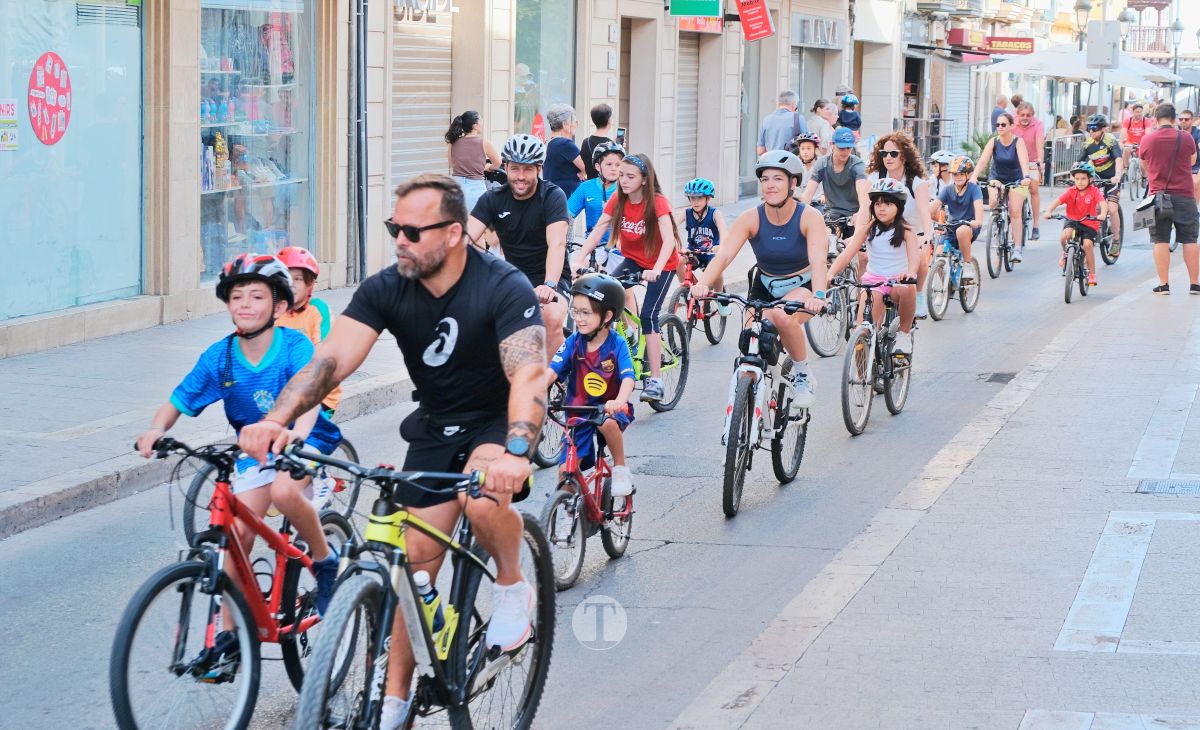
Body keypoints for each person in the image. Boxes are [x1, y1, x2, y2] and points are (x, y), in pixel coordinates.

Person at [240, 174, 546, 729]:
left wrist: (518, 449)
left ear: (454, 234)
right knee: (413, 566)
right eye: (393, 228)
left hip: (496, 422)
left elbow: (527, 374)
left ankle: (510, 585)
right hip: (434, 426)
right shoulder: (388, 287)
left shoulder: (503, 287)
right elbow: (330, 361)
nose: (399, 240)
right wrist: (276, 420)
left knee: (481, 502)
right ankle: (395, 701)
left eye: (411, 230)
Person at [135, 254, 343, 631]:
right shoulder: (221, 357)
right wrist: (156, 429)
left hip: (304, 439)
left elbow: (311, 394)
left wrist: (296, 433)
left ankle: (325, 559)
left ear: (279, 305)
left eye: (257, 296)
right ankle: (230, 638)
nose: (245, 304)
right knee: (235, 537)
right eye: (237, 296)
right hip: (256, 450)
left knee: (284, 492)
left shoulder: (293, 346)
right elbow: (178, 400)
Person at [691, 151, 829, 406]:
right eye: (765, 179)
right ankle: (746, 423)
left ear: (793, 183)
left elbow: (819, 260)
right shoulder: (751, 217)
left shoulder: (809, 217)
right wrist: (702, 284)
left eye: (778, 179)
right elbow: (724, 256)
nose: (770, 185)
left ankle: (803, 375)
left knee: (782, 317)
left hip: (803, 286)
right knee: (750, 348)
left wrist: (819, 295)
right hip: (764, 286)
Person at [573, 153, 681, 402]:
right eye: (621, 175)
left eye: (630, 176)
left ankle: (655, 380)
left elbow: (668, 242)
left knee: (648, 316)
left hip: (661, 264)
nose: (623, 180)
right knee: (603, 298)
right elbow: (599, 228)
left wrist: (657, 268)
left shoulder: (658, 202)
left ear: (644, 179)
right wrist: (580, 258)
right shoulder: (617, 200)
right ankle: (622, 345)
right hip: (632, 260)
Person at [468, 134, 571, 358]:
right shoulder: (493, 198)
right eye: (515, 169)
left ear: (539, 170)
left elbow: (557, 243)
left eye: (527, 169)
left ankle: (548, 384)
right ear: (505, 167)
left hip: (551, 279)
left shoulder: (552, 196)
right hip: (513, 278)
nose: (520, 176)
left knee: (551, 318)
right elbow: (465, 236)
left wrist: (549, 284)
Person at [546, 273, 636, 501]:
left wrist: (620, 401)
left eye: (586, 312)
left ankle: (620, 468)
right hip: (578, 413)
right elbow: (551, 371)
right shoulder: (572, 342)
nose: (578, 318)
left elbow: (628, 378)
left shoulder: (617, 344)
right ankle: (566, 515)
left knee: (607, 423)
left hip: (610, 410)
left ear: (607, 315)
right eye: (575, 312)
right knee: (566, 472)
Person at [827, 178, 921, 354]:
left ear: (899, 206)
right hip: (873, 283)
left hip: (897, 281)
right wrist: (830, 273)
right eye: (877, 204)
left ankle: (904, 334)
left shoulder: (907, 230)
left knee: (909, 288)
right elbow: (847, 254)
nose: (881, 208)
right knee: (862, 334)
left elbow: (914, 259)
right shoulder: (868, 228)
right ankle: (859, 378)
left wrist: (909, 273)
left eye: (887, 203)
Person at [866, 132, 934, 317]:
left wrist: (927, 234)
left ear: (904, 155)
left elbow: (923, 210)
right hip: (883, 230)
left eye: (893, 153)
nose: (888, 157)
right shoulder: (875, 177)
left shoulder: (916, 182)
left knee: (919, 257)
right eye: (884, 153)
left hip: (912, 233)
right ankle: (863, 297)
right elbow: (865, 208)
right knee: (862, 256)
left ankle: (917, 295)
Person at [1139, 103, 1200, 294]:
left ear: (1155, 119)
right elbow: (1192, 161)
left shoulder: (1148, 139)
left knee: (1161, 240)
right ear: (1174, 119)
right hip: (1184, 195)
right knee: (1189, 239)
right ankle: (1194, 283)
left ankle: (1164, 284)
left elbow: (1143, 165)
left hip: (1158, 196)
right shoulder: (1186, 137)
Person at [276, 246, 342, 415]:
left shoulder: (318, 310)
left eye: (297, 279)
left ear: (309, 283)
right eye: (286, 279)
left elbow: (323, 352)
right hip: (281, 391)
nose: (291, 285)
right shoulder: (274, 311)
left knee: (303, 437)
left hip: (319, 394)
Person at [972, 112, 1032, 262]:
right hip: (997, 177)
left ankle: (1017, 248)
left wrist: (1026, 177)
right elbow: (983, 161)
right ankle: (996, 226)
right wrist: (973, 176)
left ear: (1011, 126)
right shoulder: (993, 142)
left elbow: (1024, 162)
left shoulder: (1018, 142)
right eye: (997, 124)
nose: (999, 127)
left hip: (1017, 179)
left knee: (1015, 211)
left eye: (1003, 124)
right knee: (992, 203)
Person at [1044, 161, 1105, 287]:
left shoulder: (1094, 191)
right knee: (1064, 237)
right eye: (1077, 179)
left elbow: (1102, 203)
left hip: (1089, 223)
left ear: (1090, 179)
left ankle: (1092, 274)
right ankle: (1065, 253)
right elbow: (1057, 201)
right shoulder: (1071, 191)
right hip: (1073, 221)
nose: (1080, 181)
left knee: (1087, 245)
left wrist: (1102, 214)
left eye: (1083, 178)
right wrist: (1049, 211)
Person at [801, 127, 871, 234]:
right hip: (832, 214)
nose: (845, 151)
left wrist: (861, 213)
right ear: (832, 145)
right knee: (826, 238)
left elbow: (863, 196)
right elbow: (807, 195)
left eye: (849, 148)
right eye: (841, 148)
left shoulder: (857, 165)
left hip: (854, 215)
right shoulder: (822, 164)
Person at [677, 177, 729, 313]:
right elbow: (671, 228)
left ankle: (719, 297)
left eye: (699, 198)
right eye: (692, 198)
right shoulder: (686, 213)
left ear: (708, 198)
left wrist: (721, 246)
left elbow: (724, 231)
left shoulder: (714, 213)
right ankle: (686, 290)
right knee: (678, 260)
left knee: (718, 272)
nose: (695, 201)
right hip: (693, 251)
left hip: (711, 252)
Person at [1077, 113, 1125, 249]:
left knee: (1112, 209)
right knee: (1094, 207)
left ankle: (1116, 240)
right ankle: (1095, 229)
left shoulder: (1110, 141)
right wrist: (1072, 176)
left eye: (1094, 128)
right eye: (1089, 128)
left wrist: (1117, 175)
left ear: (1103, 129)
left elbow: (1118, 159)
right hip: (1097, 178)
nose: (1091, 131)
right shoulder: (1088, 143)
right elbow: (1078, 161)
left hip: (1111, 178)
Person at [567, 141, 624, 250]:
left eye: (618, 165)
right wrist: (565, 242)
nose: (614, 168)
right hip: (593, 246)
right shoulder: (586, 187)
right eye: (609, 164)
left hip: (620, 247)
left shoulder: (626, 188)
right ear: (598, 166)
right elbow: (567, 216)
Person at [935, 156, 985, 273]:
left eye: (961, 174)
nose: (958, 177)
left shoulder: (974, 189)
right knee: (938, 255)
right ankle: (945, 289)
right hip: (951, 227)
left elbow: (979, 207)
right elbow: (933, 208)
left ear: (968, 175)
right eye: (955, 174)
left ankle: (967, 265)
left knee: (961, 231)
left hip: (969, 226)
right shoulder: (947, 190)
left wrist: (977, 221)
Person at [445, 110, 501, 212]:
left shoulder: (453, 142)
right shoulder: (484, 143)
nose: (482, 123)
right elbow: (498, 163)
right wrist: (488, 167)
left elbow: (451, 164)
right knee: (477, 224)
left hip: (455, 187)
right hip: (476, 188)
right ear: (475, 125)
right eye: (481, 120)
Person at [1012, 101, 1046, 240]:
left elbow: (1039, 144)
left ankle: (1036, 225)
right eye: (1022, 115)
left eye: (1028, 115)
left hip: (1032, 160)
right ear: (1017, 115)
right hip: (1016, 161)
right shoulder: (1012, 124)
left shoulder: (1038, 125)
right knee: (1017, 191)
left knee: (1033, 189)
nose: (1025, 117)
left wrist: (1040, 161)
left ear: (1033, 115)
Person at [543, 104, 585, 199]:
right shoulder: (565, 144)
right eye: (574, 121)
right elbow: (587, 167)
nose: (576, 124)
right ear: (565, 124)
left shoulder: (550, 143)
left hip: (552, 195)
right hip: (565, 197)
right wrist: (583, 171)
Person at [758, 90, 808, 156]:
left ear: (779, 104)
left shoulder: (766, 120)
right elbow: (807, 144)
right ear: (793, 104)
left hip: (770, 163)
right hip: (790, 163)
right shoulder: (798, 118)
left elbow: (760, 151)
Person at [788, 132, 824, 207]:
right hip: (798, 204)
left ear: (815, 149)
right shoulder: (795, 165)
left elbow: (829, 185)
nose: (805, 152)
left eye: (809, 148)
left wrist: (824, 195)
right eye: (802, 148)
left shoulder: (821, 164)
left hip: (817, 203)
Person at [580, 103, 615, 179]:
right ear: (609, 120)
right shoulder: (612, 145)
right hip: (607, 186)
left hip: (591, 185)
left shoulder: (586, 142)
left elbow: (584, 167)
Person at [1122, 103, 1150, 172]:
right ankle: (1126, 168)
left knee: (1143, 163)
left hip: (1142, 143)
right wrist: (1121, 142)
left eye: (1140, 112)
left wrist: (1147, 144)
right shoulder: (1127, 120)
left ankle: (1144, 177)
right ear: (1133, 112)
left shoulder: (1146, 121)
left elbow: (1148, 134)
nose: (1139, 114)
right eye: (1137, 112)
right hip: (1130, 142)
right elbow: (1123, 132)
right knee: (1126, 150)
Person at [1180, 109, 1200, 198]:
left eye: (1186, 119)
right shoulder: (1176, 132)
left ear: (1192, 120)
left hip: (1195, 165)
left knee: (1195, 183)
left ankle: (1194, 209)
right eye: (1181, 119)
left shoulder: (1197, 133)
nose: (1183, 121)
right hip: (1178, 165)